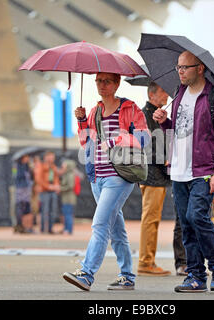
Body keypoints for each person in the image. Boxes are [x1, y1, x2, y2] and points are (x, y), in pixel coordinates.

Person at [63, 72, 149, 291]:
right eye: (98, 81)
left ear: (117, 83)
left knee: (100, 225)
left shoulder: (129, 108)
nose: (101, 85)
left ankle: (86, 273)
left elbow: (144, 138)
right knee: (117, 230)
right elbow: (86, 144)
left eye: (107, 81)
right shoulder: (95, 111)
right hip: (96, 176)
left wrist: (114, 140)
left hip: (119, 176)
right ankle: (127, 276)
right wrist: (82, 121)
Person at [153, 50, 214, 292]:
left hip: (204, 170)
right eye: (178, 67)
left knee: (197, 217)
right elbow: (177, 129)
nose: (180, 71)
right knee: (186, 224)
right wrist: (164, 121)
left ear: (200, 68)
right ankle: (196, 276)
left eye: (185, 67)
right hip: (178, 170)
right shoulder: (179, 94)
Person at [137, 82, 172, 276]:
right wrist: (166, 159)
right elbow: (149, 144)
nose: (166, 95)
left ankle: (147, 260)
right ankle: (146, 262)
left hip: (153, 173)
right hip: (153, 174)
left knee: (151, 219)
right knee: (151, 219)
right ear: (152, 94)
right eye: (163, 91)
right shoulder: (147, 115)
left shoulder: (152, 114)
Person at [35, 151, 62, 234]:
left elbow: (56, 178)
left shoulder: (53, 167)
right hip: (44, 191)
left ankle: (50, 228)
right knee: (44, 210)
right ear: (46, 157)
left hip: (52, 191)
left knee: (52, 210)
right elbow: (39, 179)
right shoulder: (41, 166)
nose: (52, 158)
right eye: (50, 156)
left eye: (53, 157)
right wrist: (48, 186)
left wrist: (56, 186)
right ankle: (43, 229)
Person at [13, 155, 34, 234]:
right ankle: (19, 225)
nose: (28, 159)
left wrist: (30, 168)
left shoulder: (27, 166)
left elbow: (31, 177)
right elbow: (16, 176)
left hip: (27, 189)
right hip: (20, 189)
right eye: (26, 157)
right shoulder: (17, 166)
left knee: (27, 208)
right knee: (20, 207)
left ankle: (26, 227)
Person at [57, 157, 78, 235]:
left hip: (69, 198)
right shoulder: (66, 174)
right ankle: (66, 228)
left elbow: (70, 186)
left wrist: (60, 188)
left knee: (68, 214)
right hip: (65, 198)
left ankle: (68, 229)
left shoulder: (70, 174)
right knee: (66, 213)